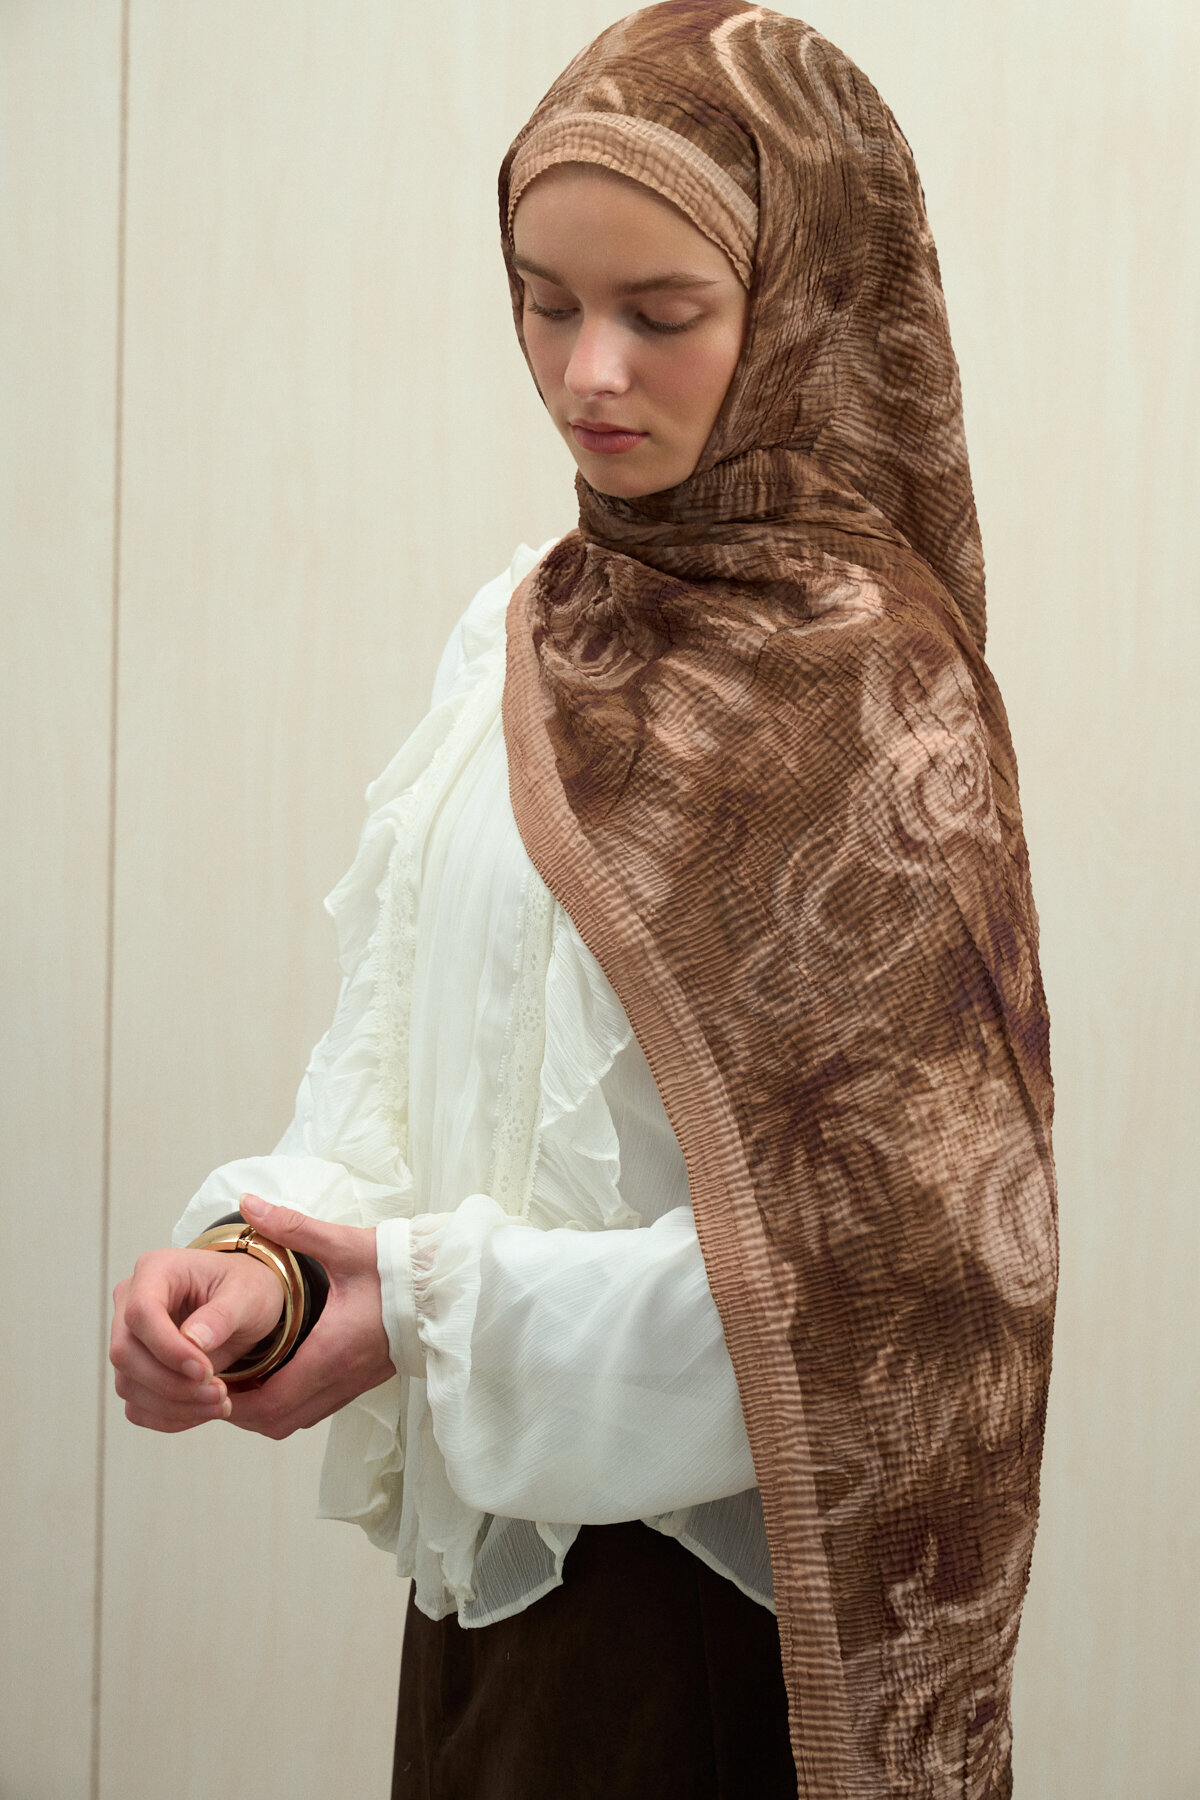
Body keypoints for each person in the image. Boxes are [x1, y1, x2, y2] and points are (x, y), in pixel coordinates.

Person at [109, 3, 1058, 1796]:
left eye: (662, 313)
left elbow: (882, 1290)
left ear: (798, 309)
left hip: (718, 1644)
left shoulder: (872, 700)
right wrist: (266, 1268)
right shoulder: (527, 630)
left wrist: (419, 1309)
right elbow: (397, 1069)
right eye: (545, 302)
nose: (586, 374)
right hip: (484, 1599)